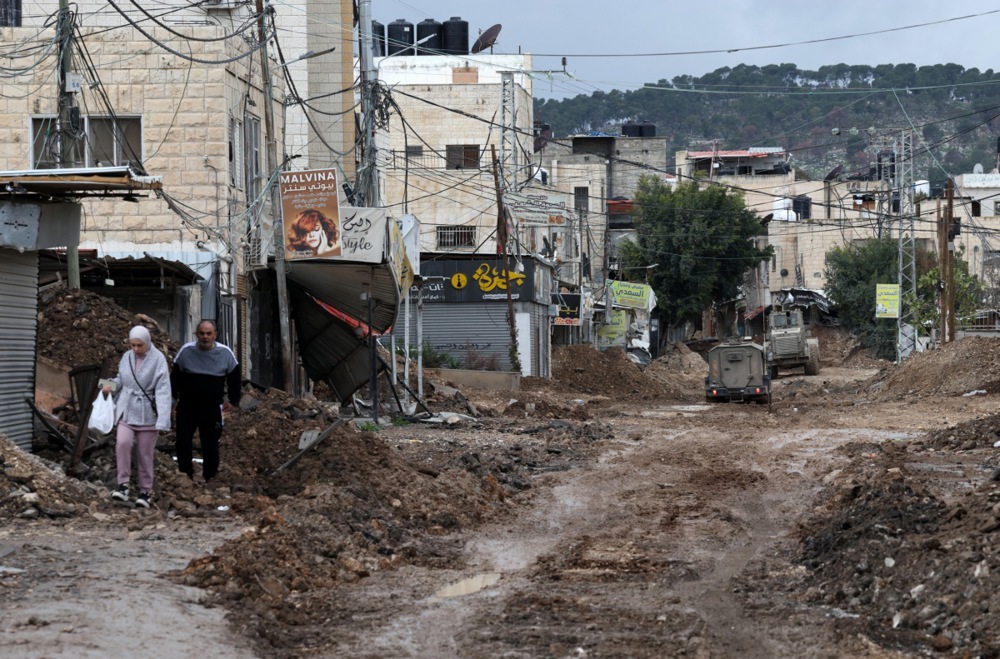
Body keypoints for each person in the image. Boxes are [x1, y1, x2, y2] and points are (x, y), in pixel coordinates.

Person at [103, 325, 172, 508]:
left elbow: (163, 390)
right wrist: (108, 385)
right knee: (122, 443)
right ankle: (123, 485)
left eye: (139, 345)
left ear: (147, 342)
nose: (135, 349)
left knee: (144, 453)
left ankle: (145, 491)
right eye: (132, 345)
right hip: (127, 408)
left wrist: (163, 419)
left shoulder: (158, 360)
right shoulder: (127, 357)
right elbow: (121, 379)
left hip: (147, 413)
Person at [170, 320, 241, 482]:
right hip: (187, 405)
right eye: (202, 333)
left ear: (215, 334)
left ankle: (210, 477)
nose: (205, 337)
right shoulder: (186, 351)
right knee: (183, 441)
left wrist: (233, 399)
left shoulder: (225, 353)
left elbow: (234, 377)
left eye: (209, 333)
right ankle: (185, 474)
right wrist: (172, 401)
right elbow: (175, 378)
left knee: (210, 443)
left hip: (212, 407)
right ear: (197, 334)